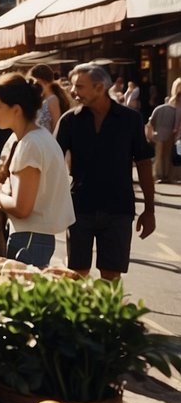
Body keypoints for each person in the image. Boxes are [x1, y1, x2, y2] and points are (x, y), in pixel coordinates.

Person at [55, 63, 156, 279]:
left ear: (100, 88)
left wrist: (149, 210)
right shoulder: (70, 121)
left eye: (79, 87)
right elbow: (52, 161)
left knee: (111, 277)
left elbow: (144, 164)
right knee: (77, 274)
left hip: (118, 210)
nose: (73, 92)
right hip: (80, 209)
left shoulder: (131, 120)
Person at [0, 74, 75, 267]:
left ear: (16, 109)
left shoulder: (30, 145)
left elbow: (22, 207)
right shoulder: (36, 137)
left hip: (29, 239)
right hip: (33, 237)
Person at [146, 79, 181, 184]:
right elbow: (177, 122)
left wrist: (150, 135)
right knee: (167, 155)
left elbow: (150, 122)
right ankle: (166, 175)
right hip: (171, 133)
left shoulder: (160, 108)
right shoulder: (175, 109)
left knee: (159, 156)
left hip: (160, 134)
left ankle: (159, 175)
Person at [29, 65, 71, 134]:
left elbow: (56, 126)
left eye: (37, 83)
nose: (34, 86)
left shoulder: (52, 99)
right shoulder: (40, 98)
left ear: (46, 82)